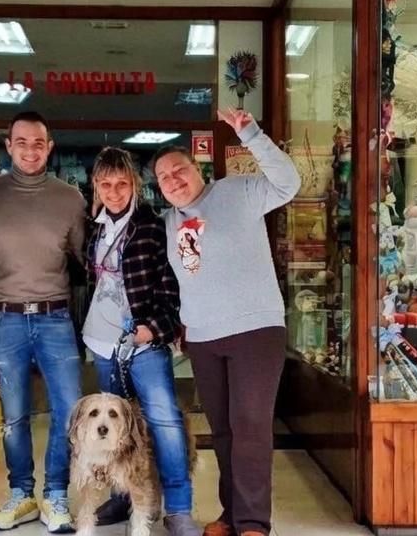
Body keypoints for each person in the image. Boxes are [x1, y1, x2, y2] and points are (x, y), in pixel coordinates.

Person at [153, 109, 300, 536]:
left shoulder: (237, 192)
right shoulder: (167, 224)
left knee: (250, 425)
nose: (173, 180)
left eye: (179, 169)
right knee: (223, 431)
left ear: (196, 167)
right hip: (203, 337)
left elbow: (288, 183)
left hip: (255, 330)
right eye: (163, 177)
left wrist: (250, 133)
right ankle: (232, 513)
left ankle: (254, 522)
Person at [0, 112, 87, 534]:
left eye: (38, 143)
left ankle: (55, 495)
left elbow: (87, 260)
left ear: (50, 146)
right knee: (14, 417)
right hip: (4, 320)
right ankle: (20, 494)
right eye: (21, 142)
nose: (30, 150)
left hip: (55, 318)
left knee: (68, 411)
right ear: (9, 146)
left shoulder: (70, 198)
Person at [81, 147, 199, 536]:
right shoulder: (94, 227)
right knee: (116, 428)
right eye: (106, 184)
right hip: (103, 344)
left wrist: (153, 328)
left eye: (122, 184)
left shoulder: (153, 226)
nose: (114, 192)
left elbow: (173, 285)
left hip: (144, 344)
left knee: (164, 423)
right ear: (96, 186)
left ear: (135, 185)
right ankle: (122, 496)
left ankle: (179, 508)